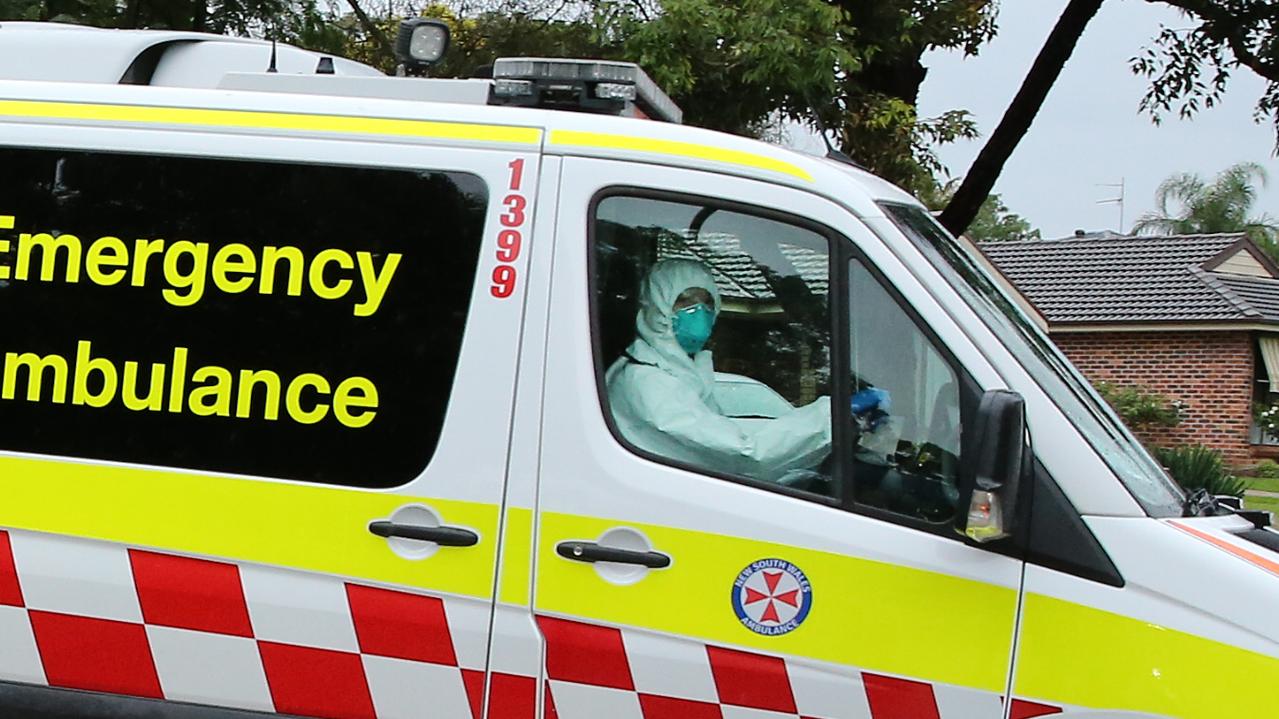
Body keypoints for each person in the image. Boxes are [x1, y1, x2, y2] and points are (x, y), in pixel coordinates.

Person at [605, 258, 836, 483]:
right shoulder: (648, 381)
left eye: (707, 302)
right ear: (658, 306)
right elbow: (742, 453)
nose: (700, 311)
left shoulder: (681, 375)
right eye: (685, 301)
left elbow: (721, 436)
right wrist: (832, 416)